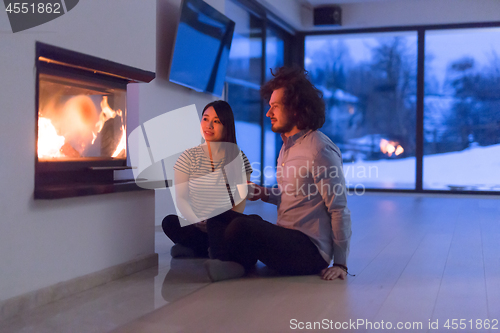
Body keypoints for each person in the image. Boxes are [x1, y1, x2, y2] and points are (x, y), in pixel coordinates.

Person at [205, 66, 352, 281]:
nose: (268, 113)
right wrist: (264, 193)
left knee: (244, 225)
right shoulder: (287, 147)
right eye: (269, 106)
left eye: (275, 106)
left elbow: (339, 209)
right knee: (219, 212)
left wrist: (340, 263)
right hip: (287, 236)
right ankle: (228, 262)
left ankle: (233, 262)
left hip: (309, 251)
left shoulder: (319, 149)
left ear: (295, 108)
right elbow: (293, 196)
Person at [161, 100, 252, 260]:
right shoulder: (188, 157)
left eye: (216, 121)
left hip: (224, 224)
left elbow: (240, 202)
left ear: (227, 126)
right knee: (169, 222)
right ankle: (210, 249)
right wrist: (196, 221)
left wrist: (217, 221)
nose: (208, 125)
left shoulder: (239, 158)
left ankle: (195, 249)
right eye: (205, 119)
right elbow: (181, 198)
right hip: (197, 224)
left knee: (244, 226)